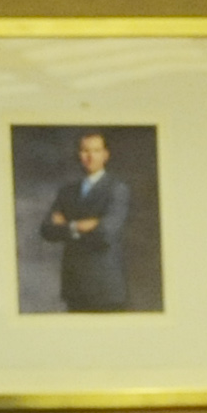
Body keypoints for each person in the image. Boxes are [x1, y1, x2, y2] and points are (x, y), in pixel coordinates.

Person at [40, 131, 130, 312]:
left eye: (96, 151)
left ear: (105, 155)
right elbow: (47, 230)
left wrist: (66, 225)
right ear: (79, 155)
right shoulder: (67, 191)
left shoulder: (117, 189)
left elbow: (105, 233)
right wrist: (79, 225)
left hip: (105, 287)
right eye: (85, 151)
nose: (90, 156)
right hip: (74, 286)